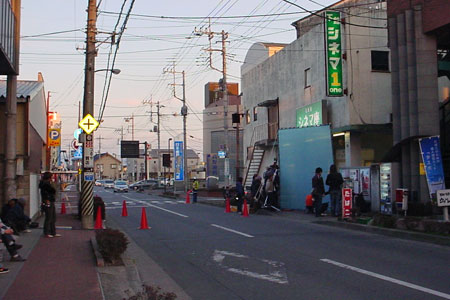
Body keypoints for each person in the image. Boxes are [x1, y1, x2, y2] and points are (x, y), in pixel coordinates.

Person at [39, 172, 61, 238]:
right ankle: (47, 232)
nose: (52, 178)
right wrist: (46, 199)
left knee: (52, 217)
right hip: (48, 201)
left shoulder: (45, 183)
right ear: (49, 177)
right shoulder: (45, 184)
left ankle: (52, 232)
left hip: (50, 201)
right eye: (51, 176)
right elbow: (52, 191)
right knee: (49, 217)